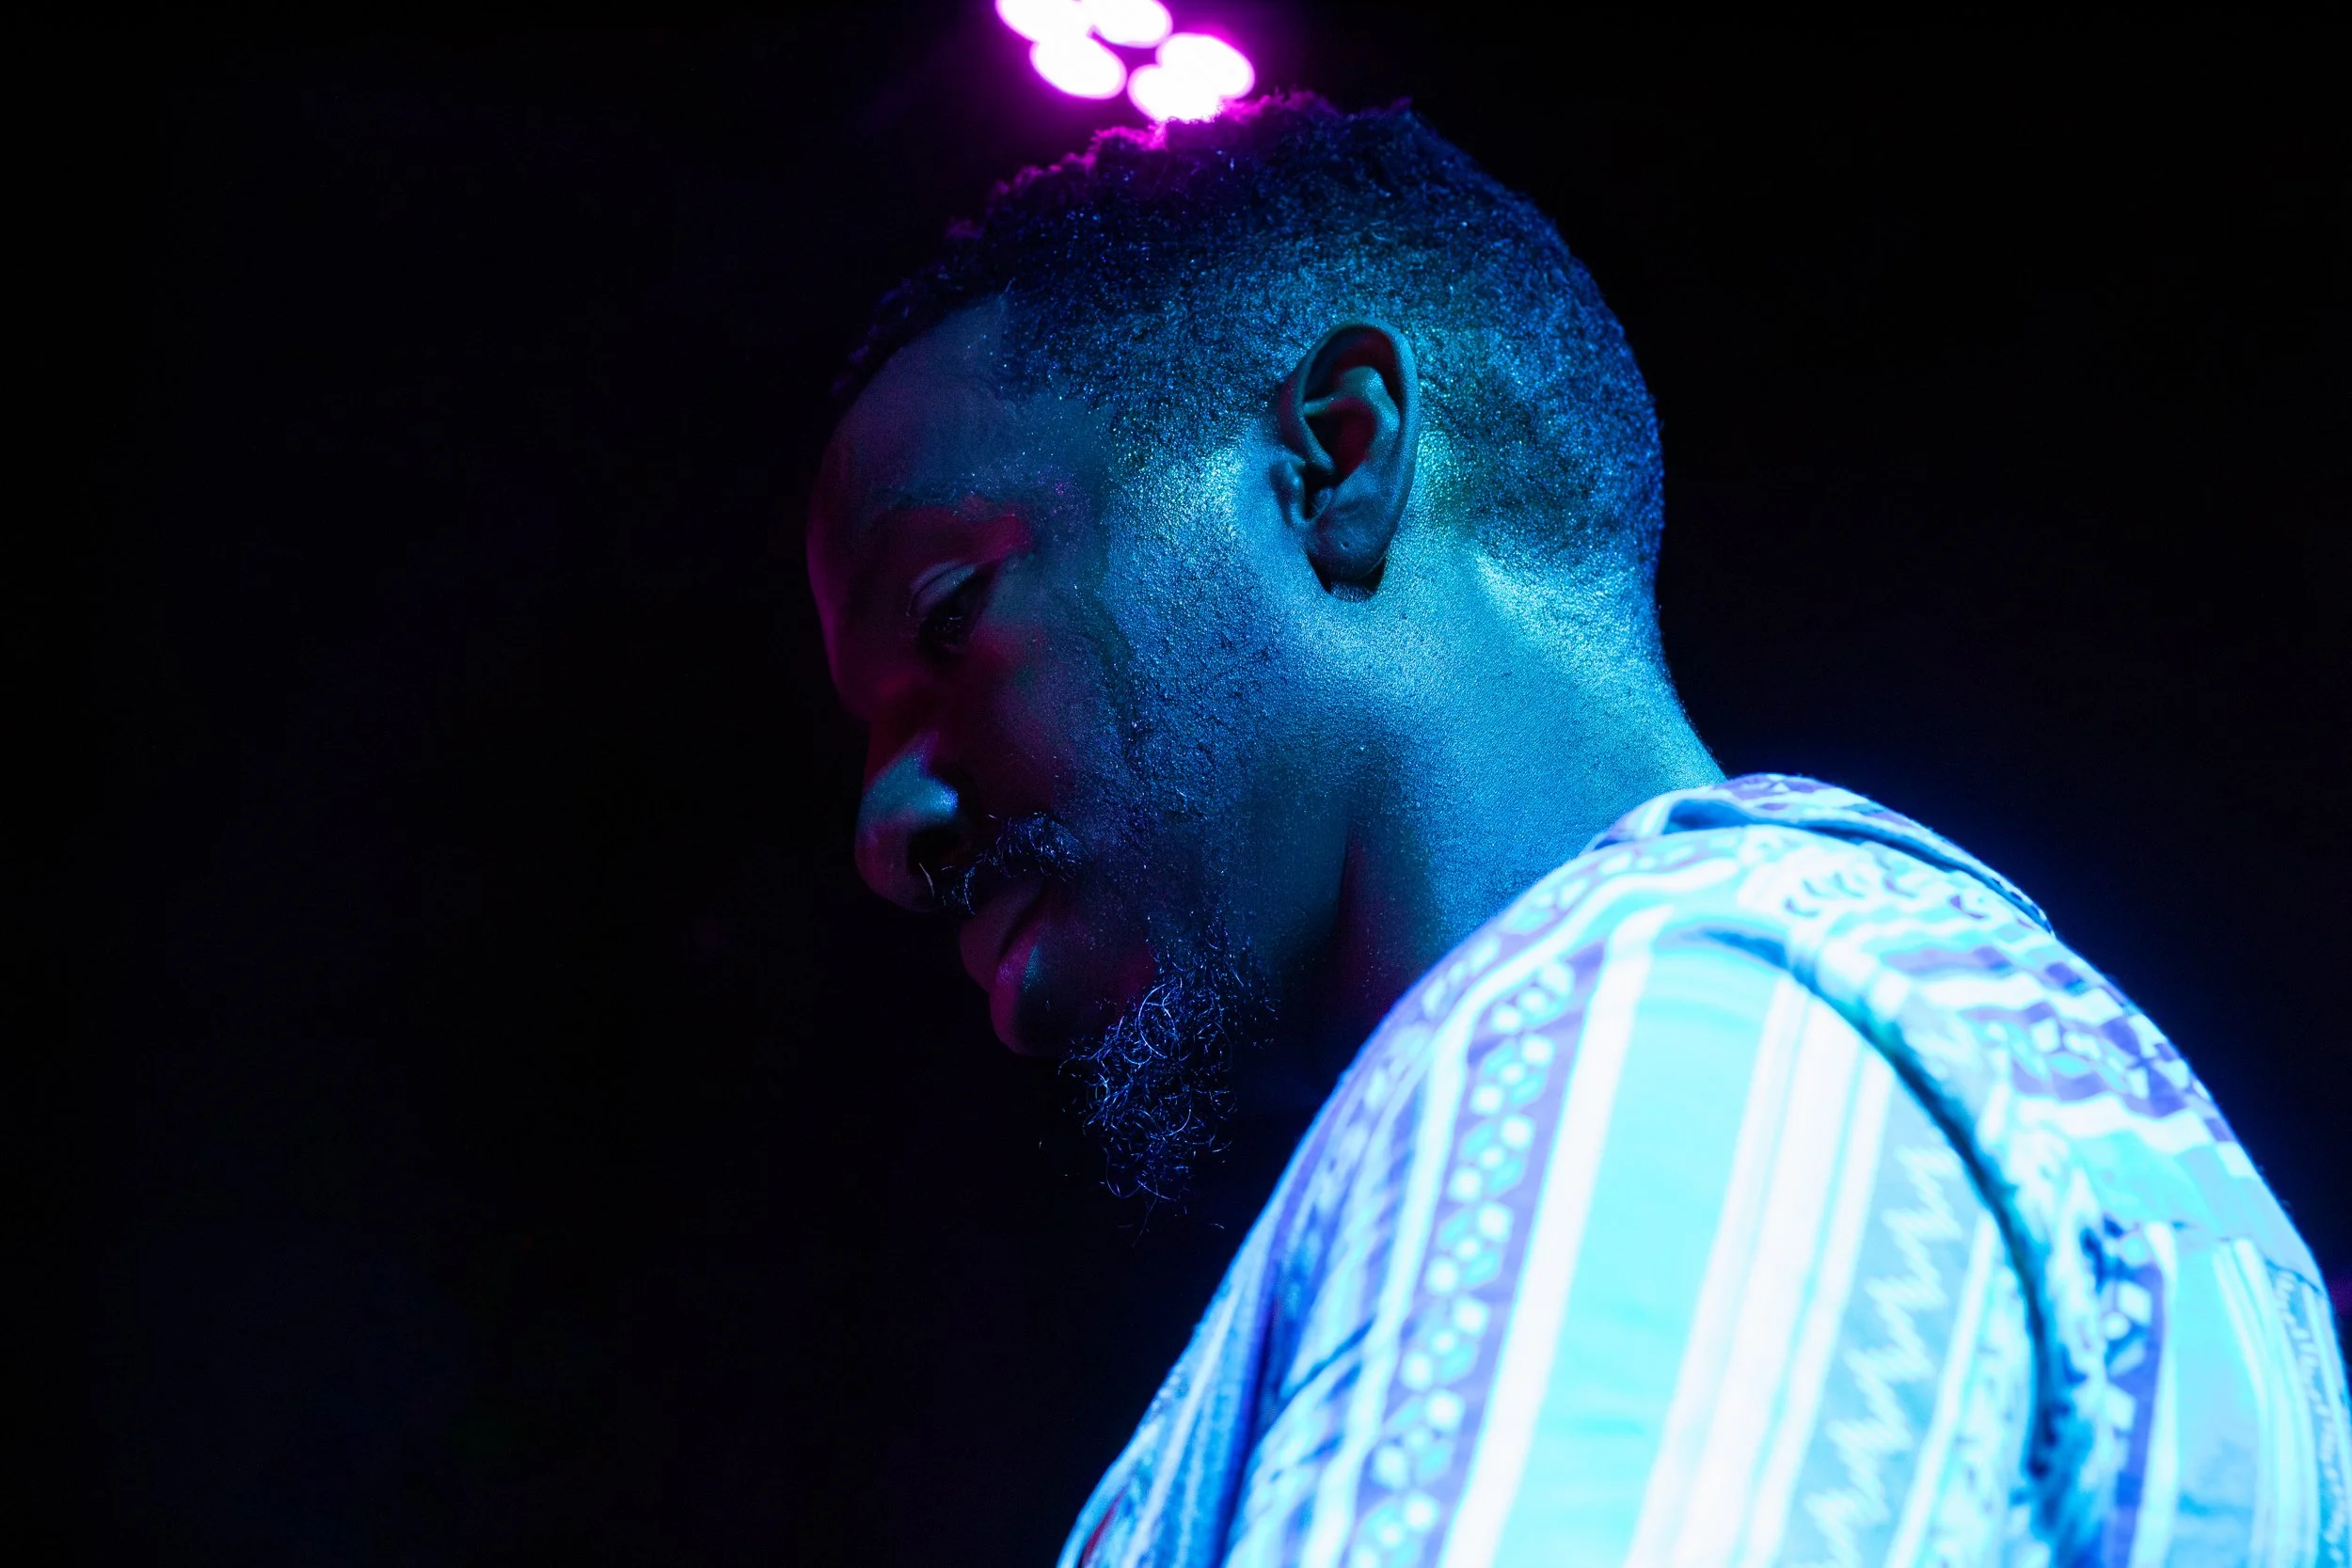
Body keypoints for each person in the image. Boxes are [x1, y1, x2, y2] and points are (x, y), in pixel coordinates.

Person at [808, 96, 2347, 1568]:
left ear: (1335, 460)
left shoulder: (1646, 1032)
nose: (888, 829)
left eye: (949, 614)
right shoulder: (1902, 1042)